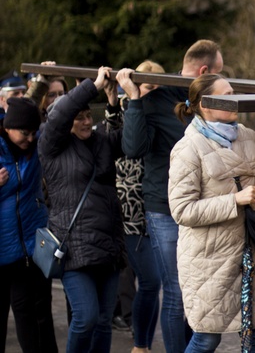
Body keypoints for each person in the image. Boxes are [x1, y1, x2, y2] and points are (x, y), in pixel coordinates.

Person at [168, 74, 255, 352]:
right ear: (206, 104)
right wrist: (235, 200)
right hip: (209, 260)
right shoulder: (188, 148)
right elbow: (182, 210)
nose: (235, 100)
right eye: (226, 95)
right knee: (207, 337)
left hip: (251, 253)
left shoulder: (244, 134)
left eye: (233, 92)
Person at [118, 39, 223, 353]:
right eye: (218, 72)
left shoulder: (211, 100)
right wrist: (134, 100)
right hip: (164, 208)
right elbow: (133, 149)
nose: (221, 79)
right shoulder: (157, 98)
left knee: (198, 289)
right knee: (177, 290)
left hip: (203, 206)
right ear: (203, 70)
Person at [38, 66, 127, 353]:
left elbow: (131, 140)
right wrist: (93, 84)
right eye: (80, 118)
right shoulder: (52, 146)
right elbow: (61, 112)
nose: (87, 121)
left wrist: (125, 99)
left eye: (89, 115)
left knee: (103, 322)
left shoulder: (101, 142)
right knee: (86, 318)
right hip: (73, 247)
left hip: (108, 245)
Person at [105, 60, 164, 353]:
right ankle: (140, 345)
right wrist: (114, 101)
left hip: (159, 209)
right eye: (146, 87)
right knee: (151, 281)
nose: (151, 93)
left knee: (155, 285)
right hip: (131, 215)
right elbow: (111, 133)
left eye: (156, 87)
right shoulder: (131, 111)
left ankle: (144, 344)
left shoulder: (164, 115)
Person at [0, 97, 58, 353]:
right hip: (3, 252)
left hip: (30, 251)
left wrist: (43, 81)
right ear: (8, 127)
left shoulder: (34, 149)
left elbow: (43, 112)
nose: (30, 138)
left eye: (34, 133)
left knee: (33, 316)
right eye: (24, 133)